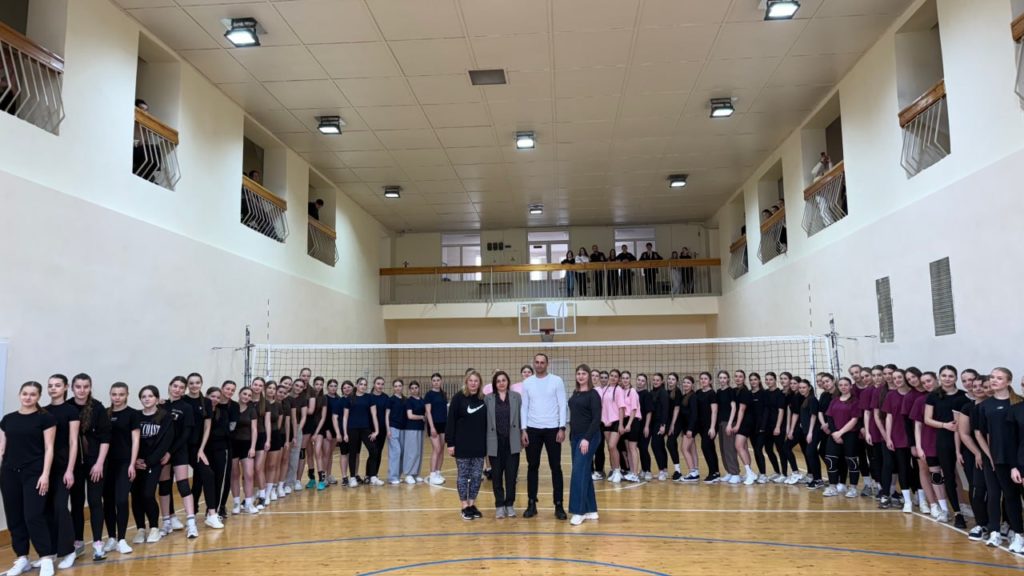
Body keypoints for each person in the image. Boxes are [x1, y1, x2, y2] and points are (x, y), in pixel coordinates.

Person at [0, 381, 57, 576]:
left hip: (34, 473)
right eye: (25, 393)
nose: (28, 397)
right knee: (14, 517)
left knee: (33, 515)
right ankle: (22, 558)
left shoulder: (45, 418)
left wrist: (45, 474)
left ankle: (46, 557)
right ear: (19, 395)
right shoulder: (8, 419)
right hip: (9, 473)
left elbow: (49, 448)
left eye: (33, 394)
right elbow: (2, 448)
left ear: (38, 397)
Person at [978, 368, 1022, 550]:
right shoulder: (985, 406)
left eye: (999, 378)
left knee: (1012, 496)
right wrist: (990, 456)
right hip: (994, 457)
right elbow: (982, 433)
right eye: (992, 377)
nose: (994, 380)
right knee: (994, 494)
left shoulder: (1018, 403)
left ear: (1008, 381)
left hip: (1015, 459)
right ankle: (994, 532)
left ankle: (1017, 533)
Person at [520, 353, 568, 520]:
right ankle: (531, 503)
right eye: (537, 362)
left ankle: (559, 505)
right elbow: (524, 407)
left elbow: (562, 404)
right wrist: (523, 429)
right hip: (532, 429)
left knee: (556, 467)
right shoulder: (527, 382)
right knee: (532, 466)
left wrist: (562, 427)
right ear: (533, 364)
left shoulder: (557, 381)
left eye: (542, 362)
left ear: (547, 364)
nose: (539, 365)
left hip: (553, 429)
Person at [69, 374, 110, 561]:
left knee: (94, 501)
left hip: (95, 462)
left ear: (90, 387)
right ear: (72, 388)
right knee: (77, 503)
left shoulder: (98, 408)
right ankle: (78, 542)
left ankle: (98, 543)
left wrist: (99, 463)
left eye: (85, 386)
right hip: (75, 464)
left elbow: (105, 438)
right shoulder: (67, 407)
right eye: (78, 386)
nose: (82, 390)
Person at [43, 375, 78, 568]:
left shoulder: (70, 411)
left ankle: (69, 550)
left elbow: (73, 442)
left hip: (63, 466)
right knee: (46, 508)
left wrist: (70, 470)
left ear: (65, 387)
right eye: (50, 385)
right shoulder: (43, 411)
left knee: (60, 507)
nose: (53, 388)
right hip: (44, 467)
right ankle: (51, 551)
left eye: (57, 385)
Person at [158, 377, 198, 538]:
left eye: (181, 387)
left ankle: (191, 524)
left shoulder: (186, 407)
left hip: (179, 451)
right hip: (163, 452)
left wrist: (171, 452)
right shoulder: (161, 405)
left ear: (184, 390)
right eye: (175, 386)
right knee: (164, 486)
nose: (178, 389)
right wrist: (163, 452)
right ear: (169, 386)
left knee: (183, 486)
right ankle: (166, 522)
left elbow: (186, 434)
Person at [101, 382, 138, 556]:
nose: (117, 397)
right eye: (114, 394)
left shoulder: (132, 414)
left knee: (121, 500)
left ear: (127, 395)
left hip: (124, 462)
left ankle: (122, 539)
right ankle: (112, 537)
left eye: (121, 394)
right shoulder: (104, 414)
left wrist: (132, 463)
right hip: (106, 463)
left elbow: (136, 440)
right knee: (108, 500)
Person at [132, 386, 172, 545]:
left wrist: (149, 462)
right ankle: (140, 529)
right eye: (144, 396)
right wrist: (135, 460)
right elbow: (129, 440)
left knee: (148, 494)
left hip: (153, 462)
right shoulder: (135, 416)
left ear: (156, 398)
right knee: (136, 496)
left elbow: (165, 443)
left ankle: (154, 527)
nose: (147, 399)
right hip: (136, 463)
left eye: (150, 396)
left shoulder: (165, 416)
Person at [446, 371, 488, 521]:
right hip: (462, 444)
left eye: (476, 381)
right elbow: (451, 421)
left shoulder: (484, 399)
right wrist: (450, 443)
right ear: (466, 382)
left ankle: (471, 504)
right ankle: (464, 506)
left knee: (477, 476)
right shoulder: (458, 398)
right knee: (463, 476)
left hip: (479, 445)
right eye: (470, 380)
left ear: (480, 383)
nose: (473, 383)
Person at [182, 373, 218, 529]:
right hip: (181, 447)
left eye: (197, 382)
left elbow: (207, 427)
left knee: (206, 475)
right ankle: (172, 518)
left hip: (197, 447)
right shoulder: (182, 400)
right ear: (187, 385)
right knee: (192, 479)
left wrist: (201, 449)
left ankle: (211, 514)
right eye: (191, 383)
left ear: (201, 384)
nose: (194, 385)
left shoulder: (206, 402)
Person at [567, 364, 602, 526]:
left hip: (589, 437)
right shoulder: (575, 393)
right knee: (584, 472)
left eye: (583, 373)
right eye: (578, 373)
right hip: (575, 437)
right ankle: (591, 510)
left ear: (588, 376)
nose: (580, 376)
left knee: (578, 473)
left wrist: (586, 438)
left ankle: (579, 511)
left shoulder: (593, 394)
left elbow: (596, 419)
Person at [485, 371, 522, 519]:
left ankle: (510, 504)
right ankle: (500, 505)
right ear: (495, 383)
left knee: (511, 476)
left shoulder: (516, 397)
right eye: (498, 381)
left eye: (504, 380)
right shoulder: (488, 398)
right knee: (496, 476)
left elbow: (521, 418)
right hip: (494, 441)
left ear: (508, 382)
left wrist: (523, 433)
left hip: (512, 441)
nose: (501, 383)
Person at [823, 377, 860, 498]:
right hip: (834, 435)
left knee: (851, 461)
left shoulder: (855, 401)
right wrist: (835, 433)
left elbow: (854, 419)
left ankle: (853, 488)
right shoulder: (834, 401)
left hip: (850, 435)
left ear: (850, 386)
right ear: (838, 387)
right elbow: (829, 417)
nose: (843, 387)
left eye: (846, 385)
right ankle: (832, 486)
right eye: (841, 385)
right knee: (830, 460)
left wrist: (841, 432)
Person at [342, 378, 380, 487]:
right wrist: (345, 433)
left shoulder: (370, 397)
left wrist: (376, 431)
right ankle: (352, 477)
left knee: (374, 450)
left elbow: (374, 415)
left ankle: (373, 476)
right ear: (356, 385)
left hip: (365, 429)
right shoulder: (349, 398)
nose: (363, 386)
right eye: (361, 384)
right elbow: (345, 417)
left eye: (365, 384)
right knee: (353, 453)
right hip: (352, 429)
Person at [599, 370, 625, 483]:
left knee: (612, 445)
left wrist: (621, 424)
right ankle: (614, 470)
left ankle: (618, 471)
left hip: (615, 422)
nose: (613, 378)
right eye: (612, 376)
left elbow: (621, 408)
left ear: (618, 379)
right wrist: (603, 419)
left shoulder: (618, 390)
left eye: (616, 376)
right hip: (606, 422)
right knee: (610, 448)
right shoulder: (605, 389)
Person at [424, 374, 448, 486]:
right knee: (436, 449)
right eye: (434, 380)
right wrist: (432, 427)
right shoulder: (429, 395)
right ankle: (432, 475)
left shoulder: (443, 394)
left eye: (438, 380)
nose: (436, 382)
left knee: (442, 449)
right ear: (431, 382)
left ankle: (438, 473)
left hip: (443, 424)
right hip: (433, 425)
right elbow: (428, 412)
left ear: (441, 381)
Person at [403, 381, 426, 484]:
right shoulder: (409, 401)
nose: (414, 390)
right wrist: (421, 417)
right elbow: (410, 416)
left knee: (418, 452)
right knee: (411, 452)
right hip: (411, 428)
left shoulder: (422, 400)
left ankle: (415, 474)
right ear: (409, 390)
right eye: (412, 388)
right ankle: (408, 474)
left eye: (416, 387)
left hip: (420, 428)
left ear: (419, 388)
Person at [385, 380, 406, 485]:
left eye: (400, 386)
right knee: (395, 452)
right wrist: (388, 429)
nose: (398, 388)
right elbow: (386, 415)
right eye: (396, 386)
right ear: (393, 388)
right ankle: (392, 477)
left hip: (403, 429)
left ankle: (397, 475)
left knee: (402, 453)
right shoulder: (391, 400)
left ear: (402, 387)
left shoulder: (405, 400)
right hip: (393, 428)